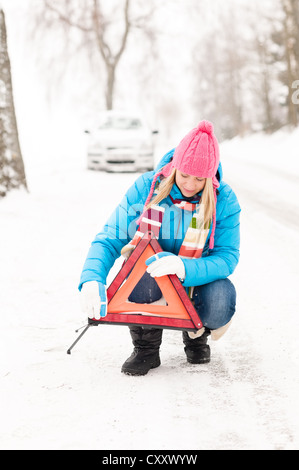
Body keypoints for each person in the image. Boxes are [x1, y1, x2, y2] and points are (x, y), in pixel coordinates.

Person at [79, 120, 241, 376]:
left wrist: (184, 267)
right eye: (184, 174)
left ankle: (196, 333)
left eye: (199, 179)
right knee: (141, 277)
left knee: (220, 301)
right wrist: (91, 279)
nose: (189, 184)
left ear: (210, 177)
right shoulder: (148, 188)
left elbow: (228, 256)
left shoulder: (223, 200)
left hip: (197, 277)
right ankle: (146, 347)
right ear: (175, 166)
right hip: (150, 276)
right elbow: (110, 236)